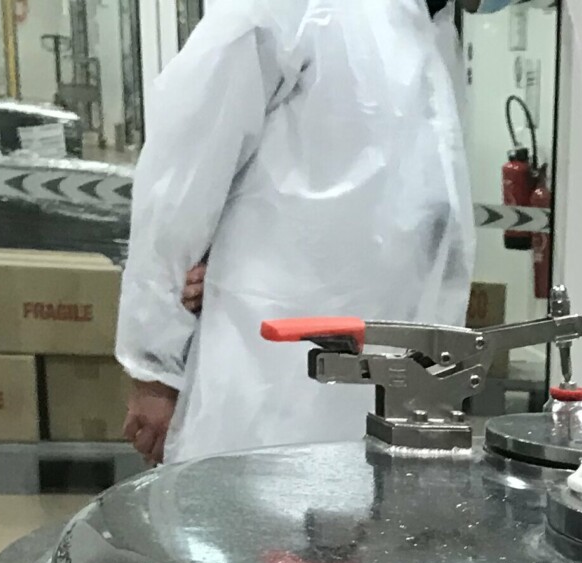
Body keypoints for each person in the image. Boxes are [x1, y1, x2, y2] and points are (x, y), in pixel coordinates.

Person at [118, 0, 476, 466]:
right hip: (269, 391)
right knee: (256, 501)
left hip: (386, 397)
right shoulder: (298, 10)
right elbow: (180, 179)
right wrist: (155, 369)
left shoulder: (433, 32)